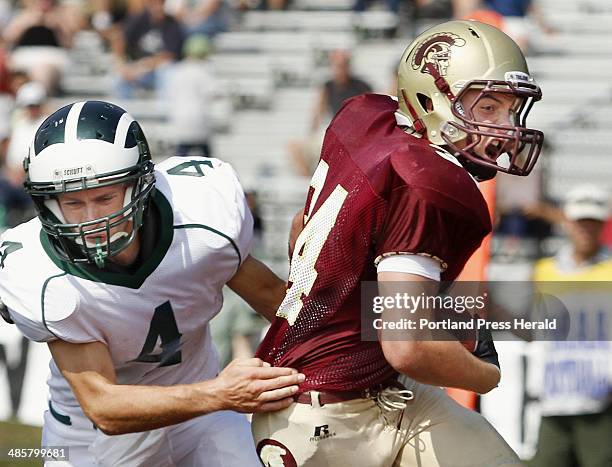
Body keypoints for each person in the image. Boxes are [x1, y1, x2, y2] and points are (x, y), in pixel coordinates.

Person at [253, 20, 544, 466]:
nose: (506, 128)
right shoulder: (430, 184)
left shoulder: (365, 116)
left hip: (388, 392)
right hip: (323, 415)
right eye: (487, 107)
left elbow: (302, 231)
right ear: (433, 99)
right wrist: (484, 376)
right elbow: (407, 345)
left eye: (511, 109)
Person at [0, 100, 304, 466]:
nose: (90, 219)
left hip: (202, 414)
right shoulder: (40, 273)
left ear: (140, 185)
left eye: (104, 197)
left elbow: (279, 303)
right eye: (72, 203)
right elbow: (104, 406)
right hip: (91, 437)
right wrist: (221, 392)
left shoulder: (203, 218)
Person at [529, 185, 612, 467]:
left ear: (602, 225)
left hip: (602, 401)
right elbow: (533, 328)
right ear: (567, 223)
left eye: (593, 223)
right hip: (555, 395)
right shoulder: (543, 271)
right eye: (580, 222)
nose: (586, 229)